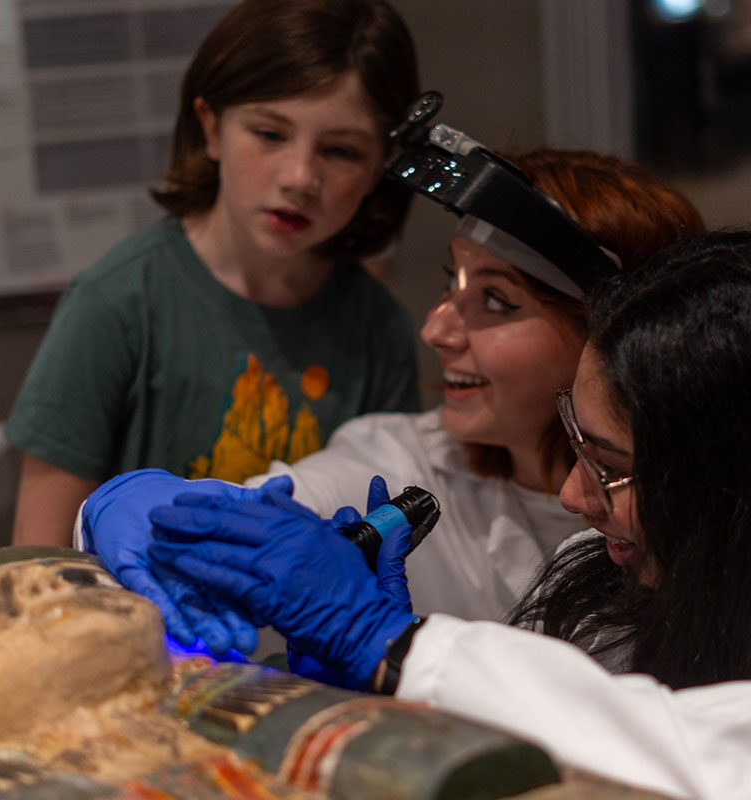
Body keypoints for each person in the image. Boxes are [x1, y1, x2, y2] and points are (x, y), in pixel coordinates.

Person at [147, 231, 751, 799]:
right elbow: (550, 759)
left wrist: (404, 652)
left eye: (610, 469)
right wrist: (379, 694)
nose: (572, 498)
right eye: (577, 447)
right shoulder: (597, 578)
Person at [79, 149, 706, 648]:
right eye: (450, 284)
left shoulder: (714, 518)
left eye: (496, 300)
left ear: (618, 338)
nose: (436, 329)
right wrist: (138, 505)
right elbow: (258, 519)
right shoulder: (404, 462)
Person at [7, 0, 424, 548]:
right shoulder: (116, 304)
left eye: (341, 150)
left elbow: (386, 530)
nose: (300, 178)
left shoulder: (379, 326)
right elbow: (38, 558)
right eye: (271, 134)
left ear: (380, 168)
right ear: (210, 128)